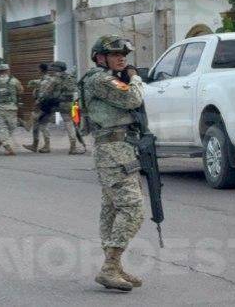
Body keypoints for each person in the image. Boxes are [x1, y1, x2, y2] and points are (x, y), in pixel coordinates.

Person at [81, 35, 145, 292]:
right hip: (113, 150)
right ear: (100, 58)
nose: (122, 59)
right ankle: (109, 266)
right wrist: (135, 77)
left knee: (112, 209)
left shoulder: (107, 78)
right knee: (132, 208)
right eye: (116, 54)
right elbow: (133, 99)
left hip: (120, 148)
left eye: (125, 55)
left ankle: (114, 266)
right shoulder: (100, 79)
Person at [35, 62, 86, 155]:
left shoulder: (54, 79)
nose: (52, 70)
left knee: (42, 123)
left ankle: (46, 146)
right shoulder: (71, 78)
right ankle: (73, 147)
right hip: (70, 104)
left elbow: (47, 92)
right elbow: (76, 90)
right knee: (69, 124)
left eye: (53, 68)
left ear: (57, 69)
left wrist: (39, 100)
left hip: (55, 103)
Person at [0, 63, 24, 156]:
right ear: (8, 70)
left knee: (2, 129)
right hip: (11, 108)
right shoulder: (13, 81)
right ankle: (8, 148)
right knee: (11, 128)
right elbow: (21, 90)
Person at [23, 63, 52, 153]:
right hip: (44, 105)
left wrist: (37, 104)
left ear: (41, 70)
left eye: (38, 69)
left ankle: (46, 146)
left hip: (43, 106)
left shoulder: (45, 81)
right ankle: (34, 145)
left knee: (43, 125)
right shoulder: (45, 79)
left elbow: (43, 95)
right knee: (36, 125)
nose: (37, 70)